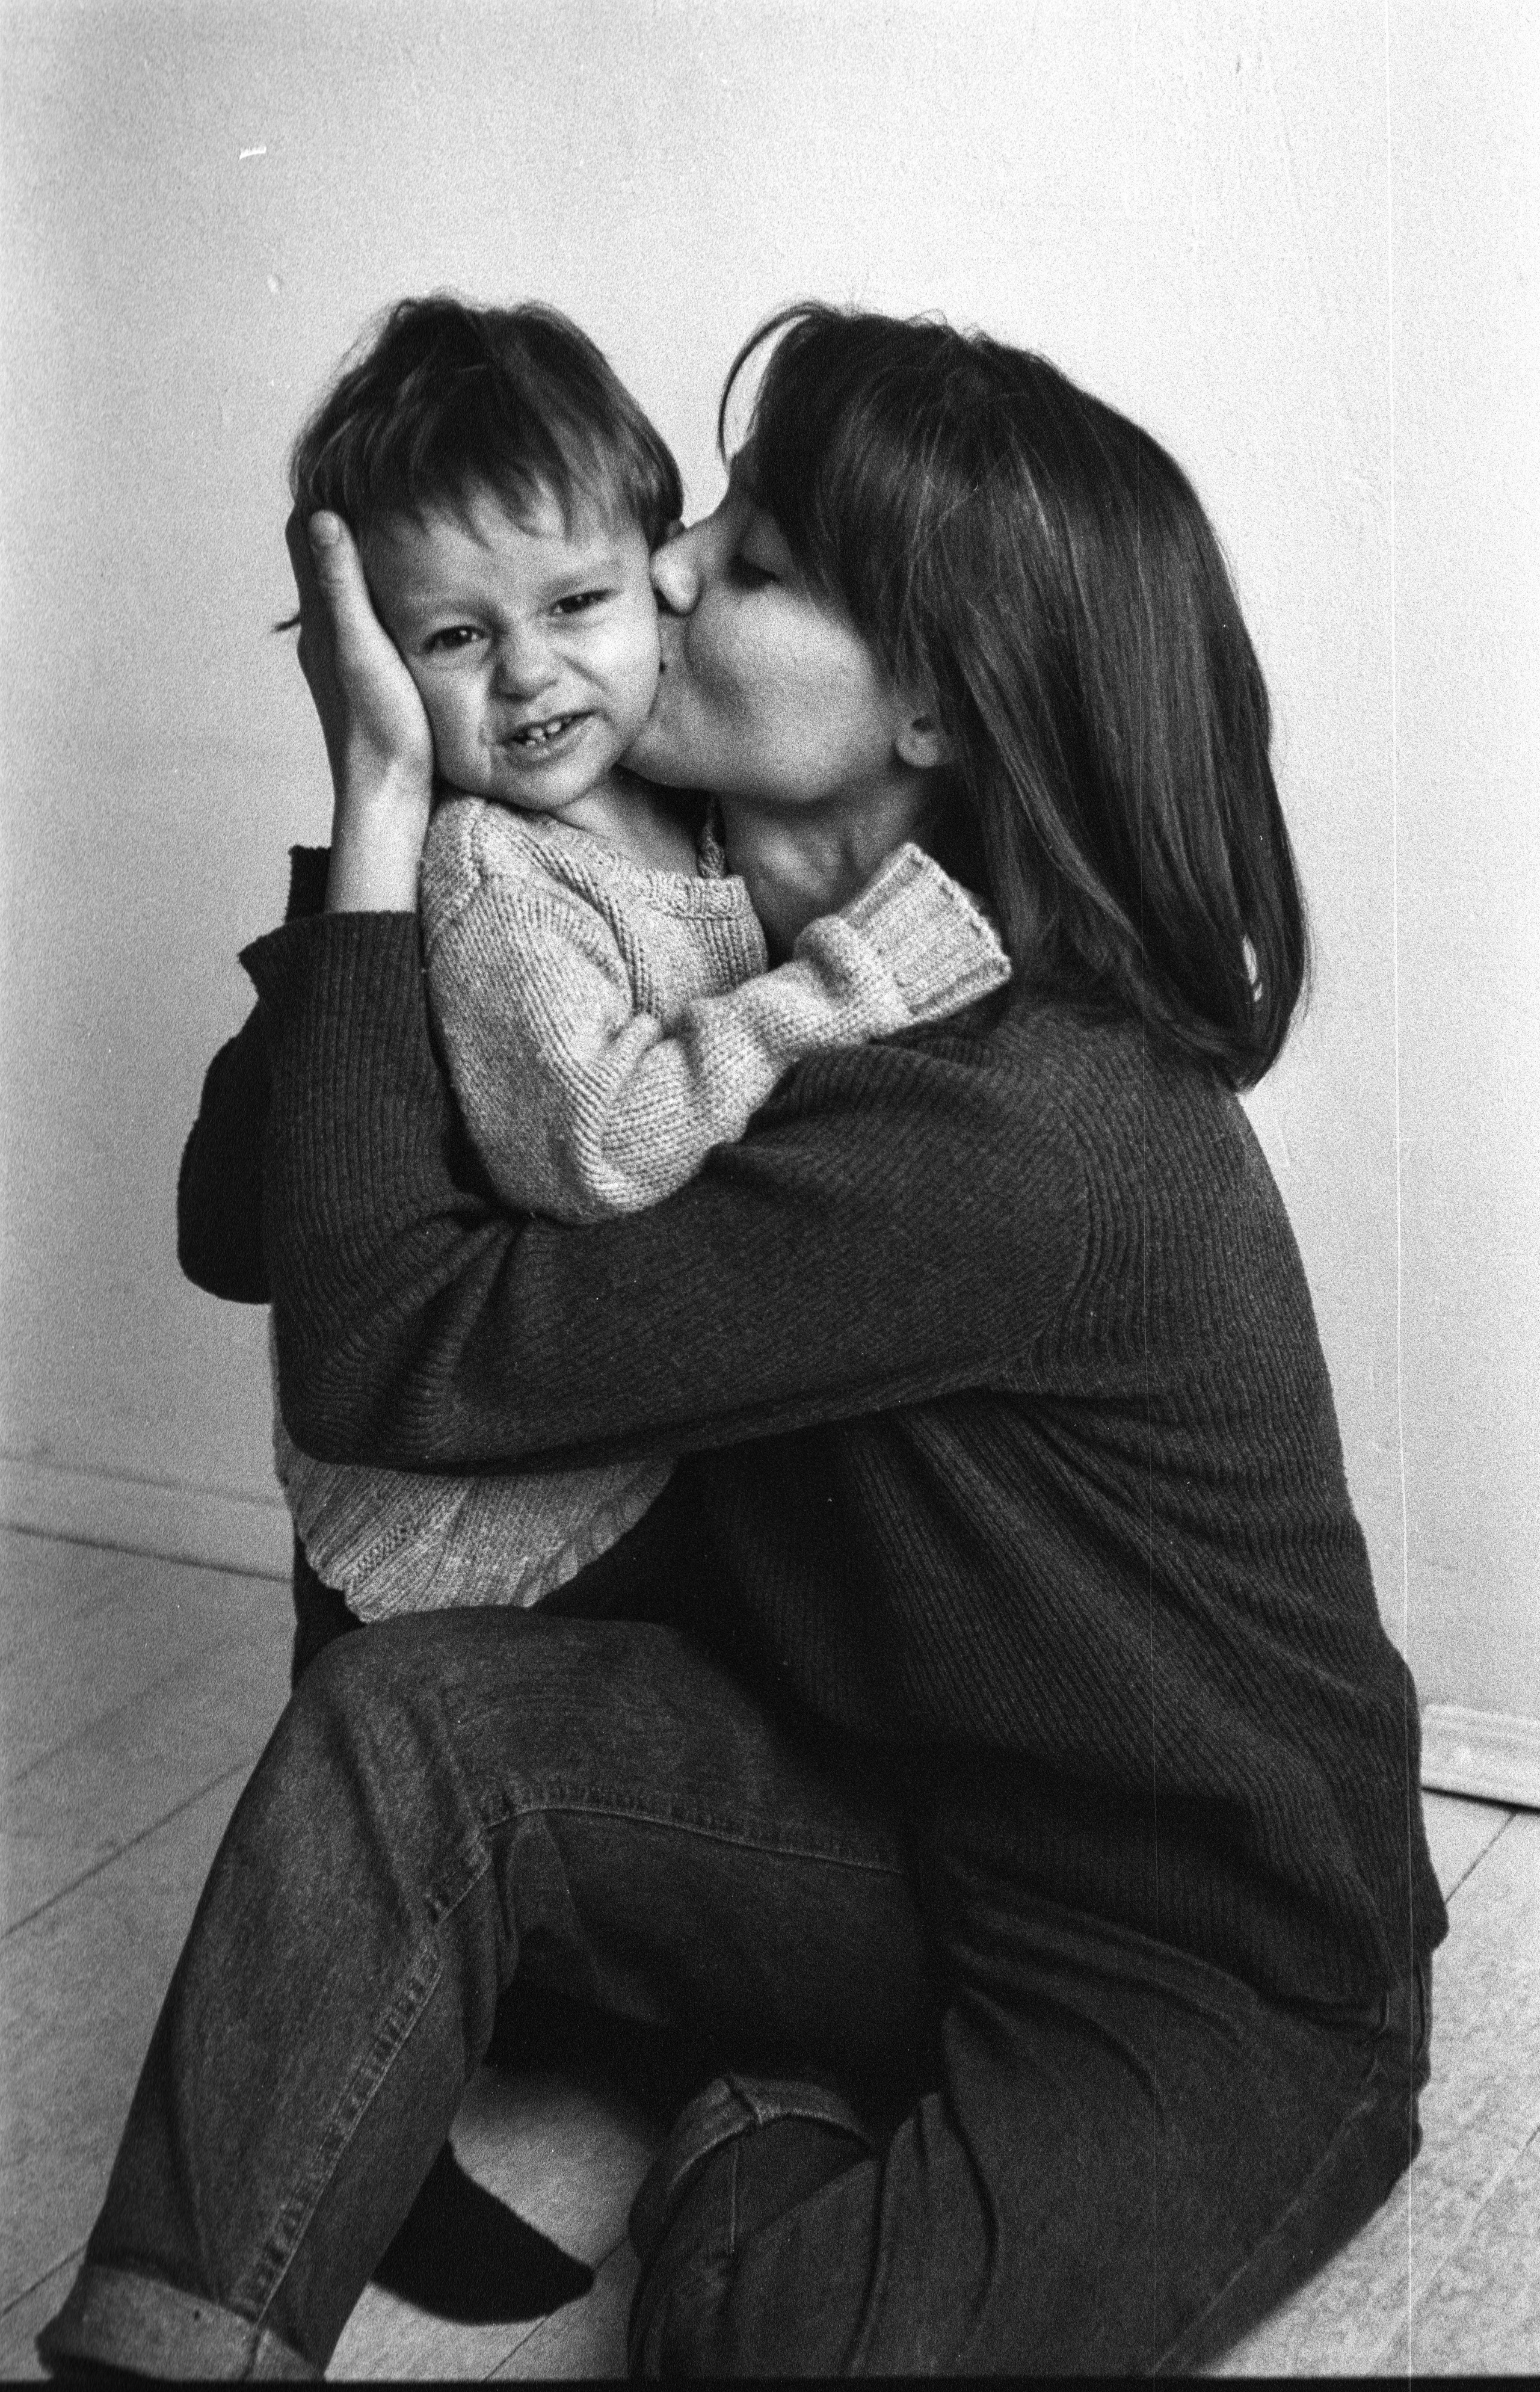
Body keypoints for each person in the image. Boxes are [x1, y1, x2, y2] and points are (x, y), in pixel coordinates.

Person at [40, 303, 1446, 2379]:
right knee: (406, 1729)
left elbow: (385, 1351)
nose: (675, 565)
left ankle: (753, 2097)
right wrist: (403, 819)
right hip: (902, 1828)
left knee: (764, 2345)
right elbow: (248, 1218)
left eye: (760, 558)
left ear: (936, 705)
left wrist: (387, 803)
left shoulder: (1008, 1127)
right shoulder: (693, 933)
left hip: (1198, 1965)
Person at [266, 294, 1006, 1637]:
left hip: (610, 1449)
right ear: (378, 656)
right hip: (491, 1529)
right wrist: (856, 984)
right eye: (454, 637)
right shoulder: (493, 871)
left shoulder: (687, 797)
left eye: (575, 602)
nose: (529, 674)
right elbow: (599, 1147)